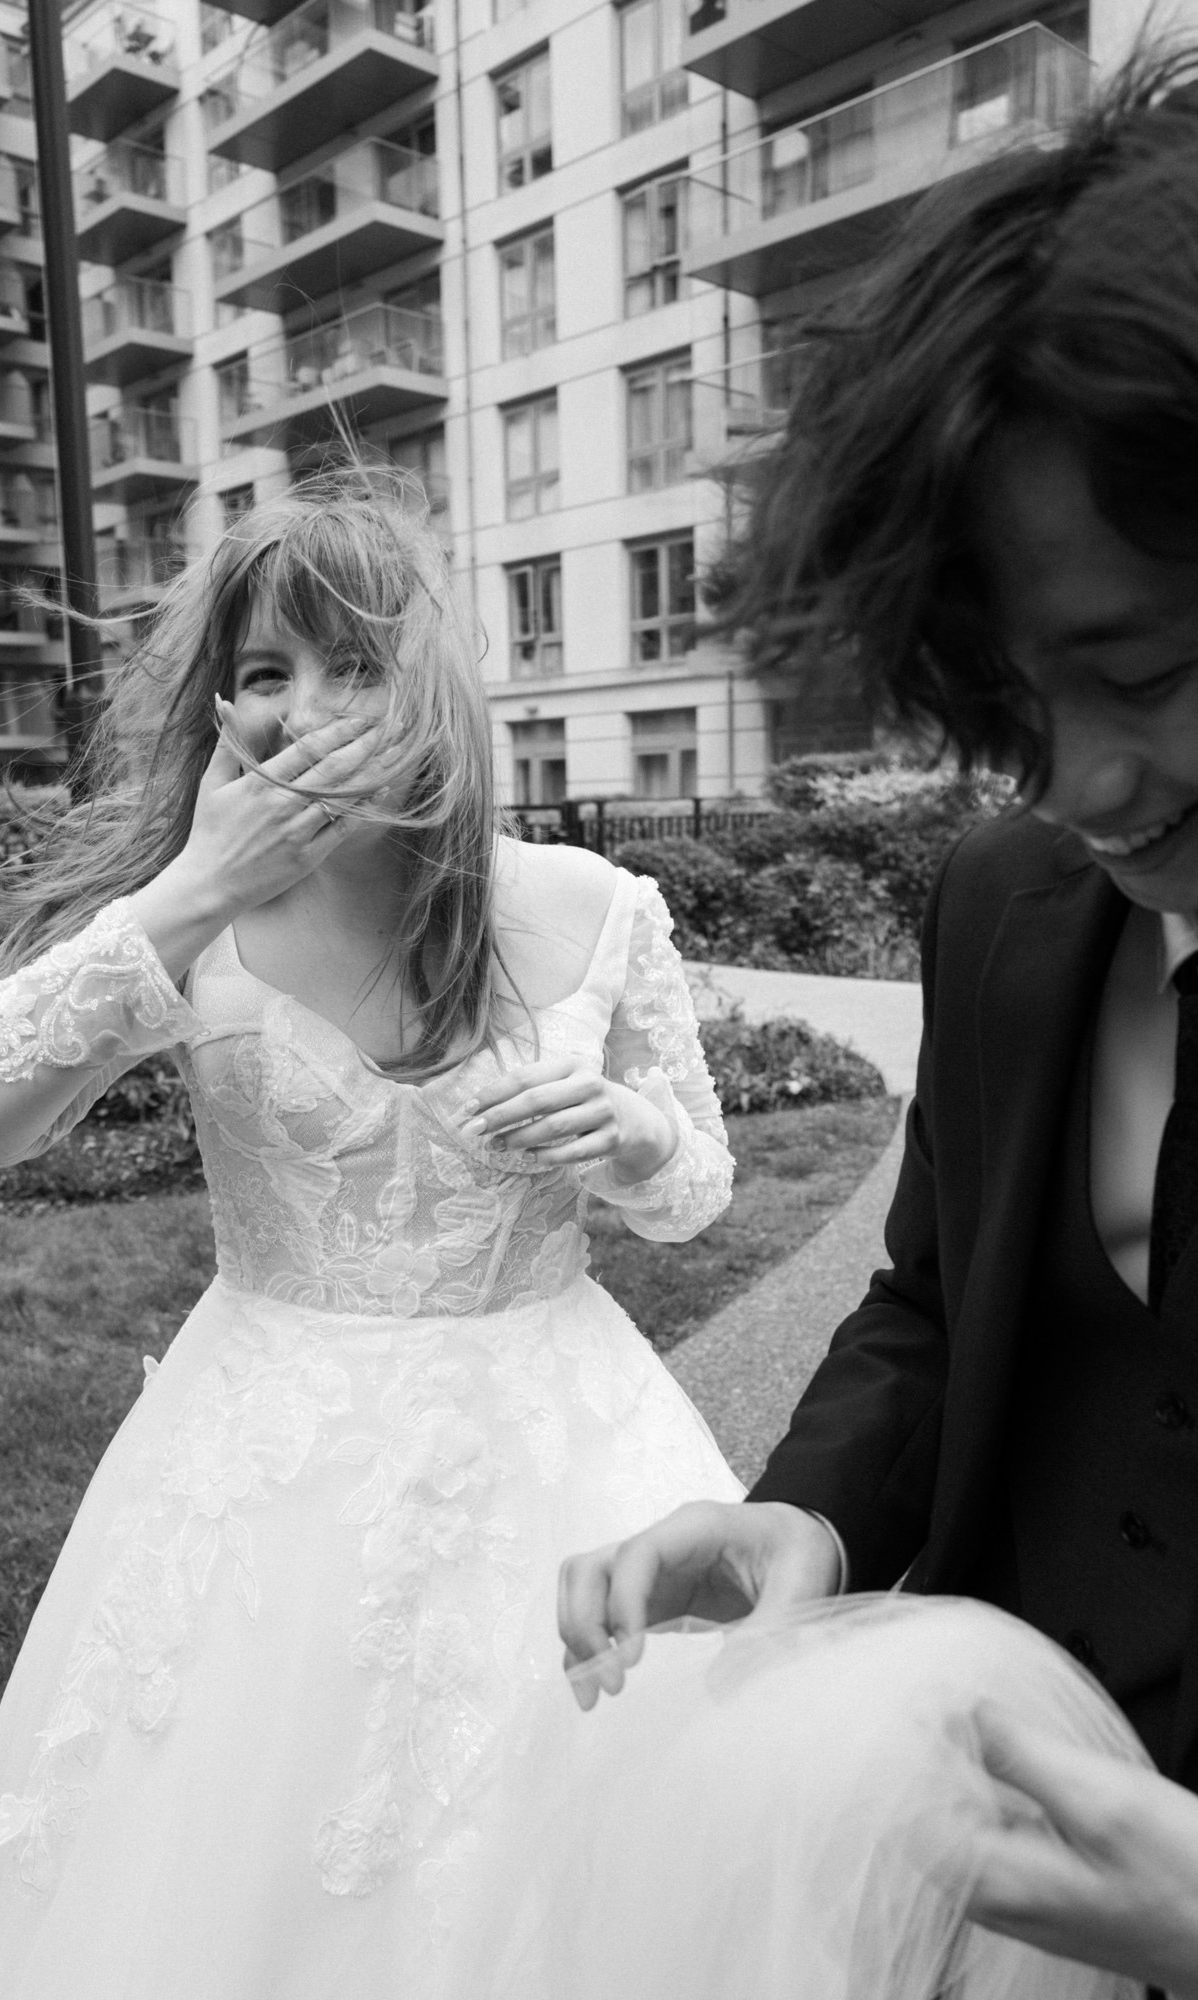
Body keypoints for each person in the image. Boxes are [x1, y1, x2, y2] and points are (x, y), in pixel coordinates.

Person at [0, 480, 742, 1999]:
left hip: (554, 1448)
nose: (311, 708)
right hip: (258, 1472)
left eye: (356, 662)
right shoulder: (190, 925)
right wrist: (199, 884)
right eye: (270, 672)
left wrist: (639, 1139)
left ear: (435, 676)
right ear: (225, 708)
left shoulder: (599, 905)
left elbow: (695, 1200)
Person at [553, 44, 1198, 1997]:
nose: (1079, 783)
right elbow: (929, 1295)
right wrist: (802, 1515)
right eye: (1011, 704)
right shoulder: (1005, 905)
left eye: (1144, 667)